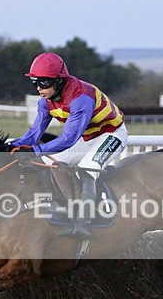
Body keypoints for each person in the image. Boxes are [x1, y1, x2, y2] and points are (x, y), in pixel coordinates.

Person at [10, 52, 128, 239]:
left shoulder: (80, 98)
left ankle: (83, 223)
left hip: (111, 134)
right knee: (51, 161)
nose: (39, 88)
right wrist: (12, 146)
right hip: (87, 137)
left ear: (59, 81)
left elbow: (69, 138)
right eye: (35, 83)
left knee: (88, 167)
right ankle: (70, 207)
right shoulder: (45, 102)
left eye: (44, 83)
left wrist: (34, 151)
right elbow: (34, 134)